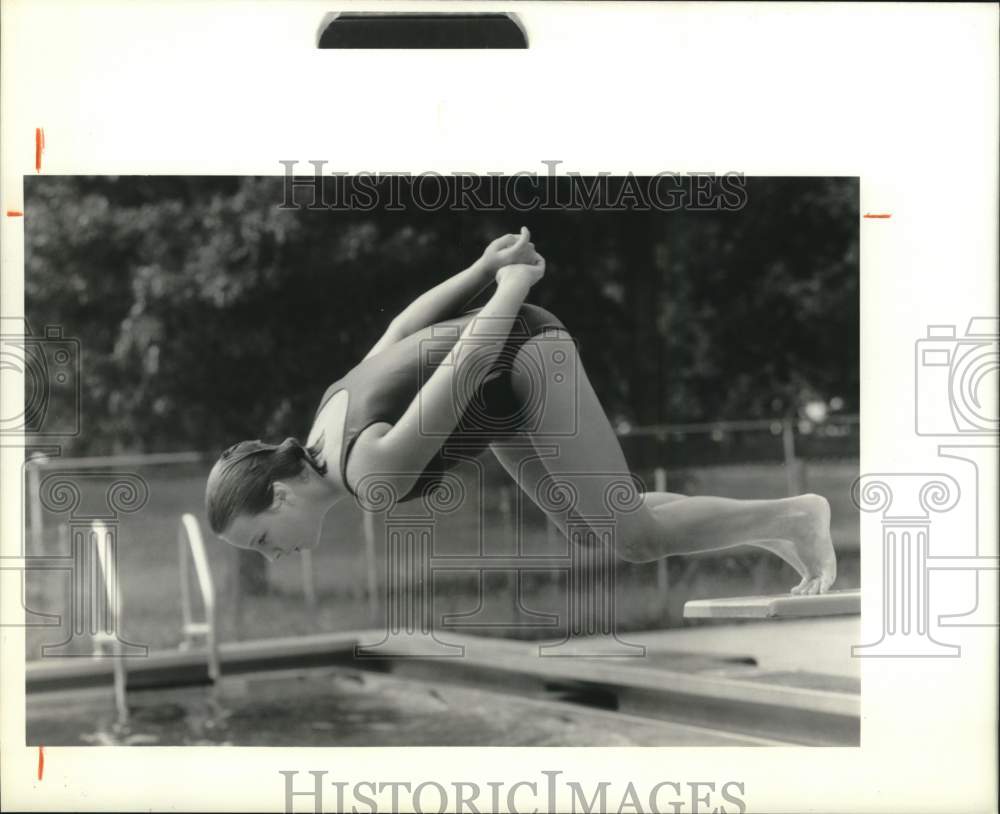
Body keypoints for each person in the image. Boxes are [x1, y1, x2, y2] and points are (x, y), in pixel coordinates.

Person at [205, 228, 836, 595]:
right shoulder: (324, 425)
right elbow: (401, 328)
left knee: (632, 537)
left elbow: (467, 368)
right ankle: (773, 526)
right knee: (592, 528)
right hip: (501, 392)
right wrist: (480, 267)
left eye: (261, 541)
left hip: (519, 354)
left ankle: (796, 515)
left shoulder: (371, 476)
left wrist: (507, 286)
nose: (272, 555)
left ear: (281, 497)